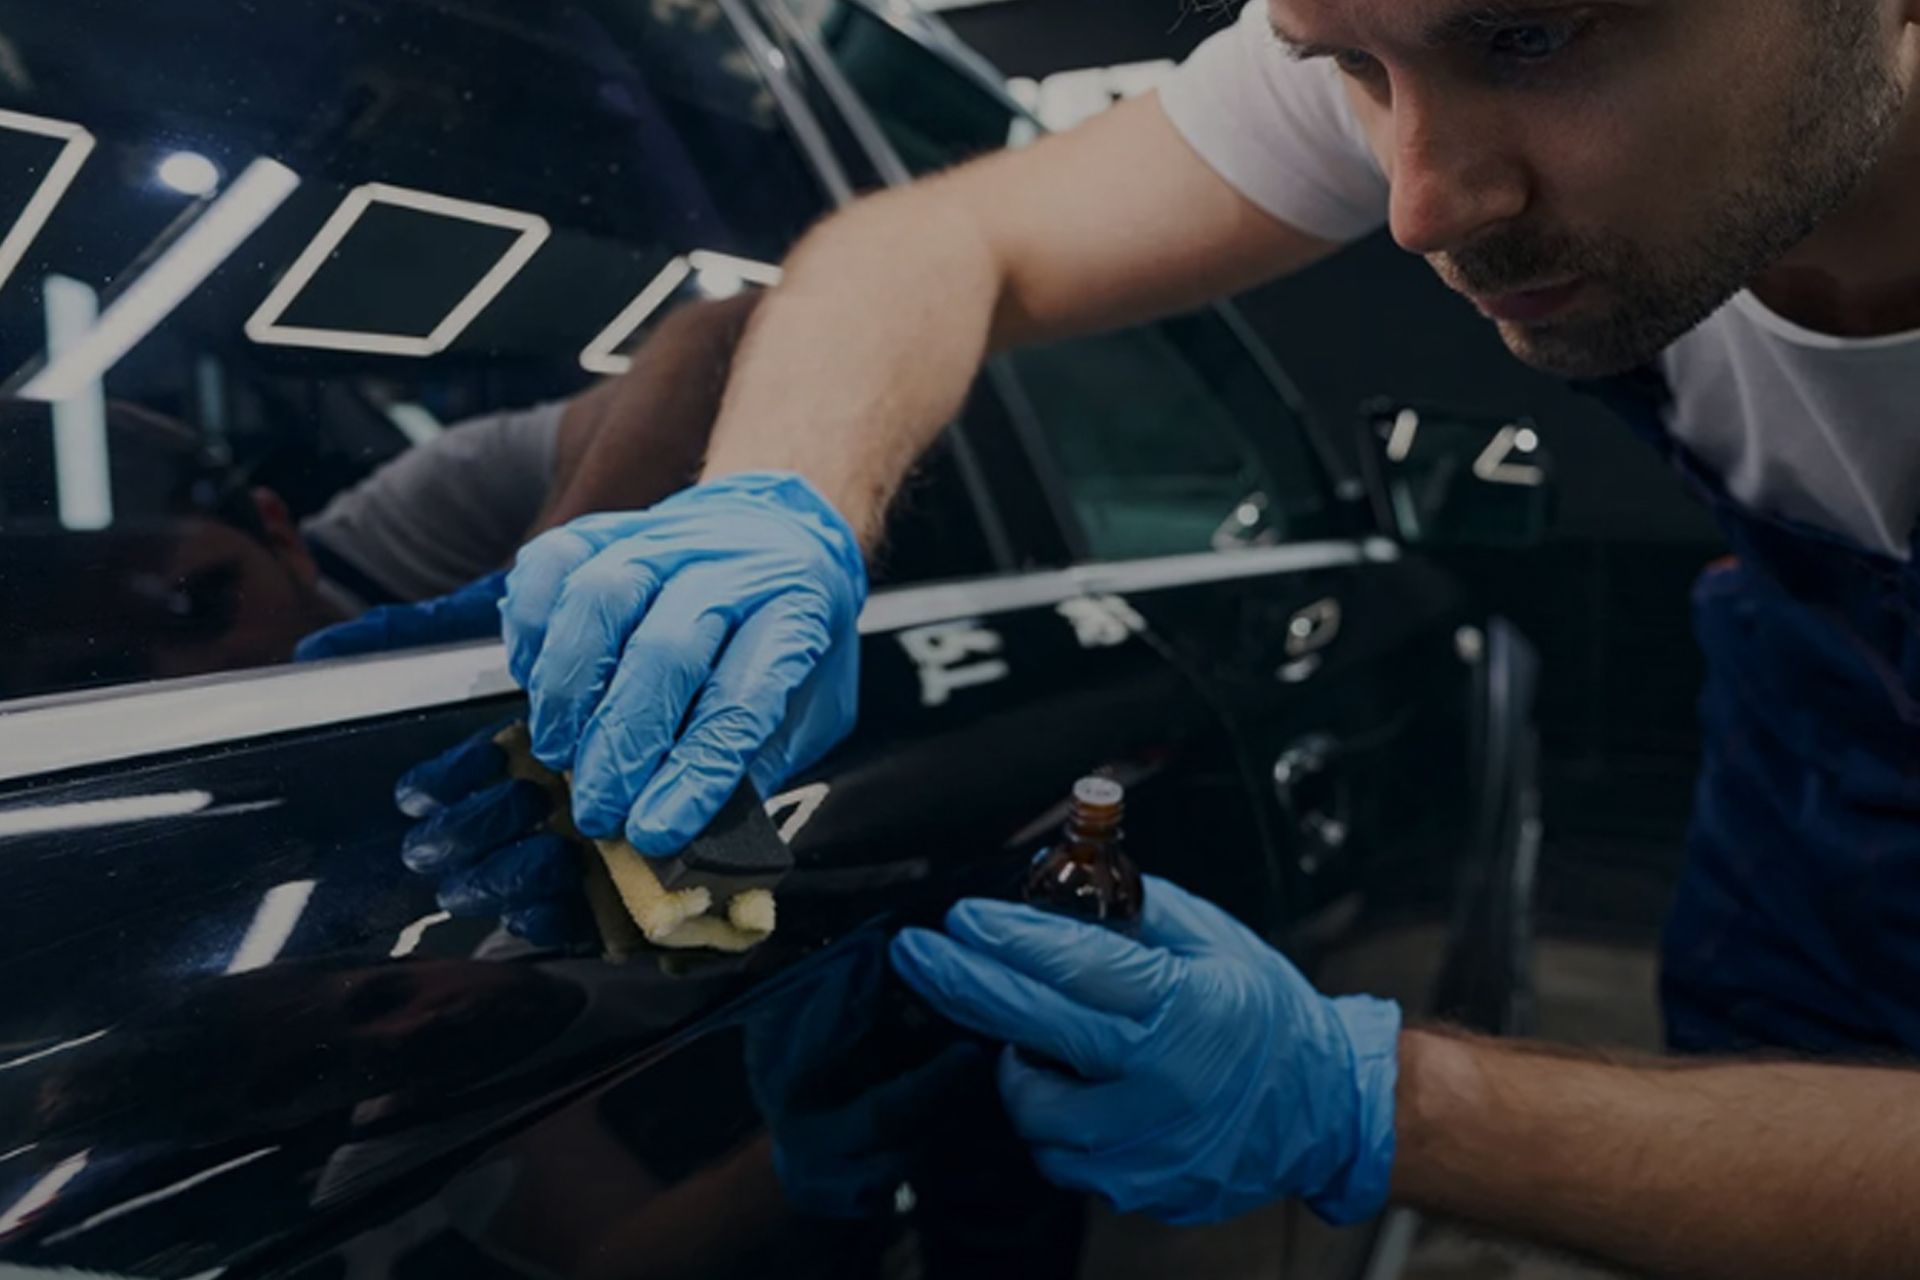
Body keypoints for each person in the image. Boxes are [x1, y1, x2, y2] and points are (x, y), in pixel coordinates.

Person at [400, 0, 1920, 1272]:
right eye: (1347, 69)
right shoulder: (1423, 38)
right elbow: (945, 236)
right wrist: (779, 507)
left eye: (1533, 35)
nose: (1419, 202)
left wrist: (1378, 1104)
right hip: (1812, 805)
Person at [0, 295, 754, 697]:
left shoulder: (413, 515)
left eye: (199, 607)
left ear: (281, 534)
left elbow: (720, 333)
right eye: (103, 672)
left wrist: (552, 594)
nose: (190, 677)